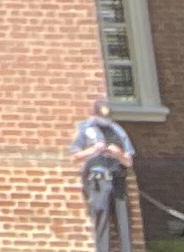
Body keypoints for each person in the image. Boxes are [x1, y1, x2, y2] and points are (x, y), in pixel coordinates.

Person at [73, 99, 138, 252]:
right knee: (101, 223)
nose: (104, 121)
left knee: (123, 222)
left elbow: (128, 162)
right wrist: (93, 151)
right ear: (94, 114)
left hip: (117, 178)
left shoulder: (117, 130)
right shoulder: (85, 129)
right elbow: (75, 156)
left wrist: (118, 154)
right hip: (97, 181)